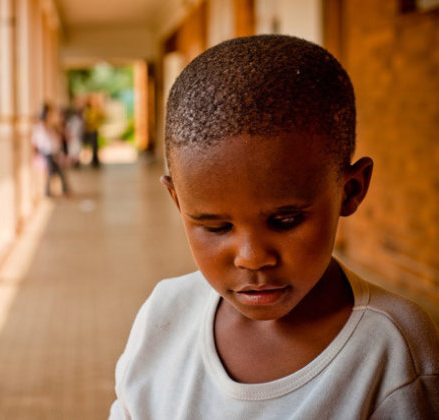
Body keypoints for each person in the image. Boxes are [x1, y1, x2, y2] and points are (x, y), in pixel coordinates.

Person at [109, 35, 439, 419]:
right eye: (216, 227)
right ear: (178, 201)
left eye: (285, 221)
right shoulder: (165, 315)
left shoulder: (395, 349)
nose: (252, 258)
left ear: (351, 190)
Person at [31, 103, 70, 197]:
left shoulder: (48, 126)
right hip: (47, 151)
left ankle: (57, 190)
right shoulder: (41, 126)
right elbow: (38, 140)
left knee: (56, 171)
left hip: (52, 151)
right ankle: (49, 191)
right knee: (52, 171)